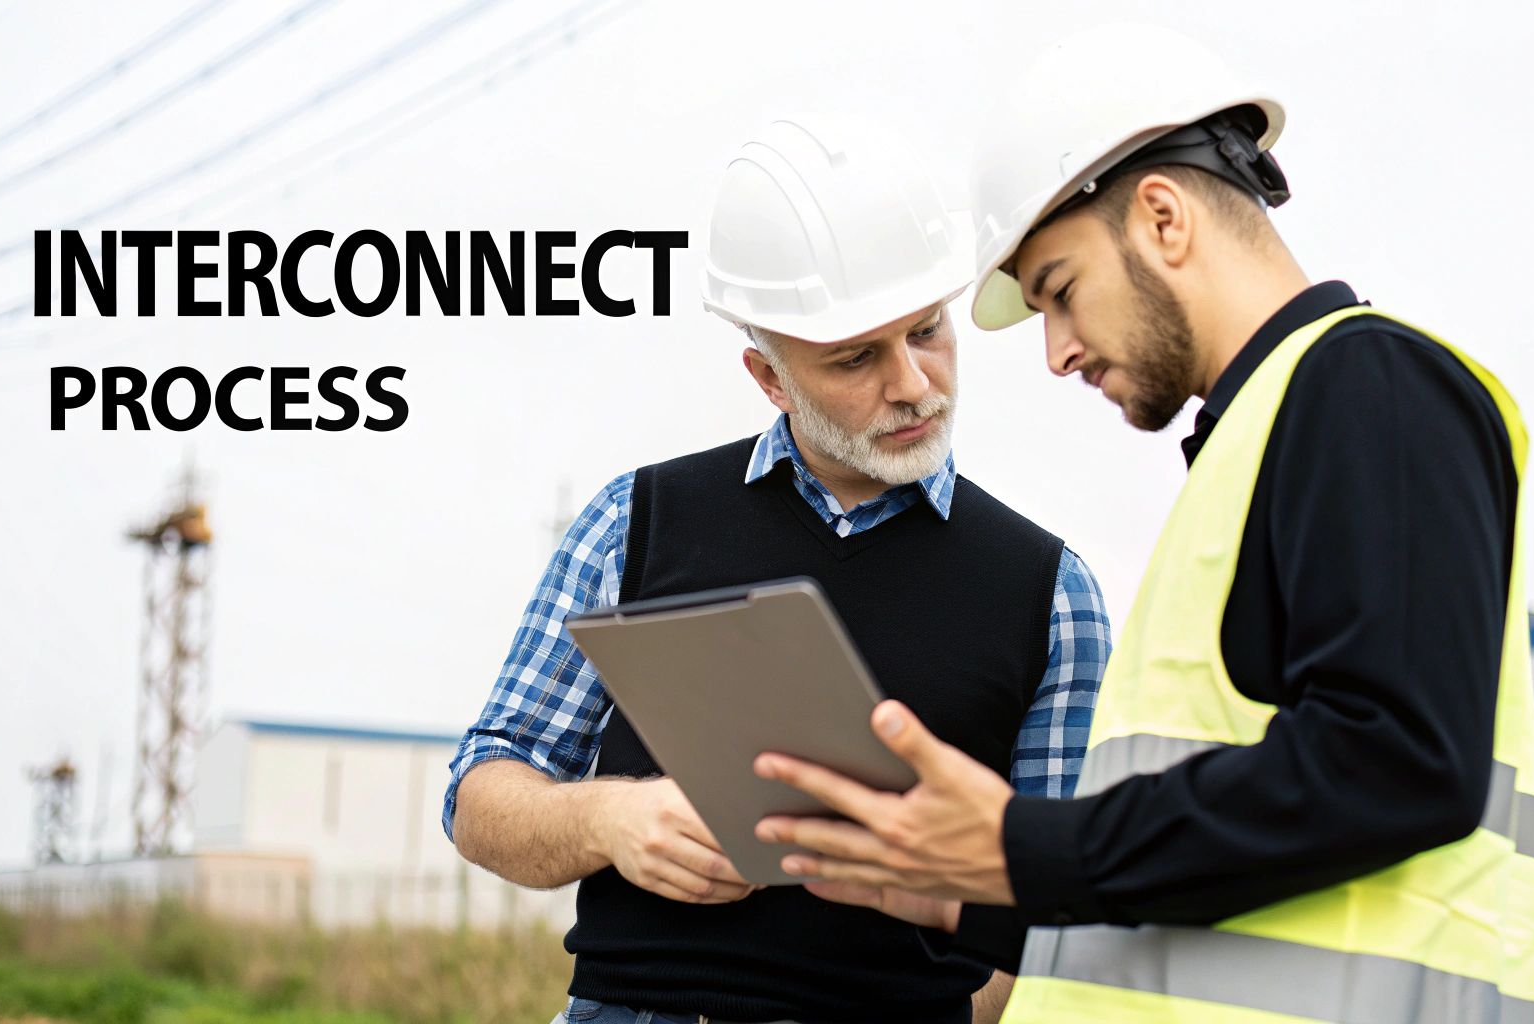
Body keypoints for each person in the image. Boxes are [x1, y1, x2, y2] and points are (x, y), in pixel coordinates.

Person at [750, 27, 1534, 1024]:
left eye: (1058, 291)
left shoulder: (1366, 386)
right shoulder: (1256, 447)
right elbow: (1218, 889)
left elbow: (1395, 762)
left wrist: (1018, 843)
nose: (1054, 352)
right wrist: (966, 891)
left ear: (1162, 218)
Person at [441, 114, 1112, 1024]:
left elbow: (1054, 918)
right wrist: (611, 822)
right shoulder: (633, 524)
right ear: (769, 377)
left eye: (927, 331)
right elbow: (484, 788)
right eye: (856, 358)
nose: (914, 382)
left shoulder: (1051, 595)